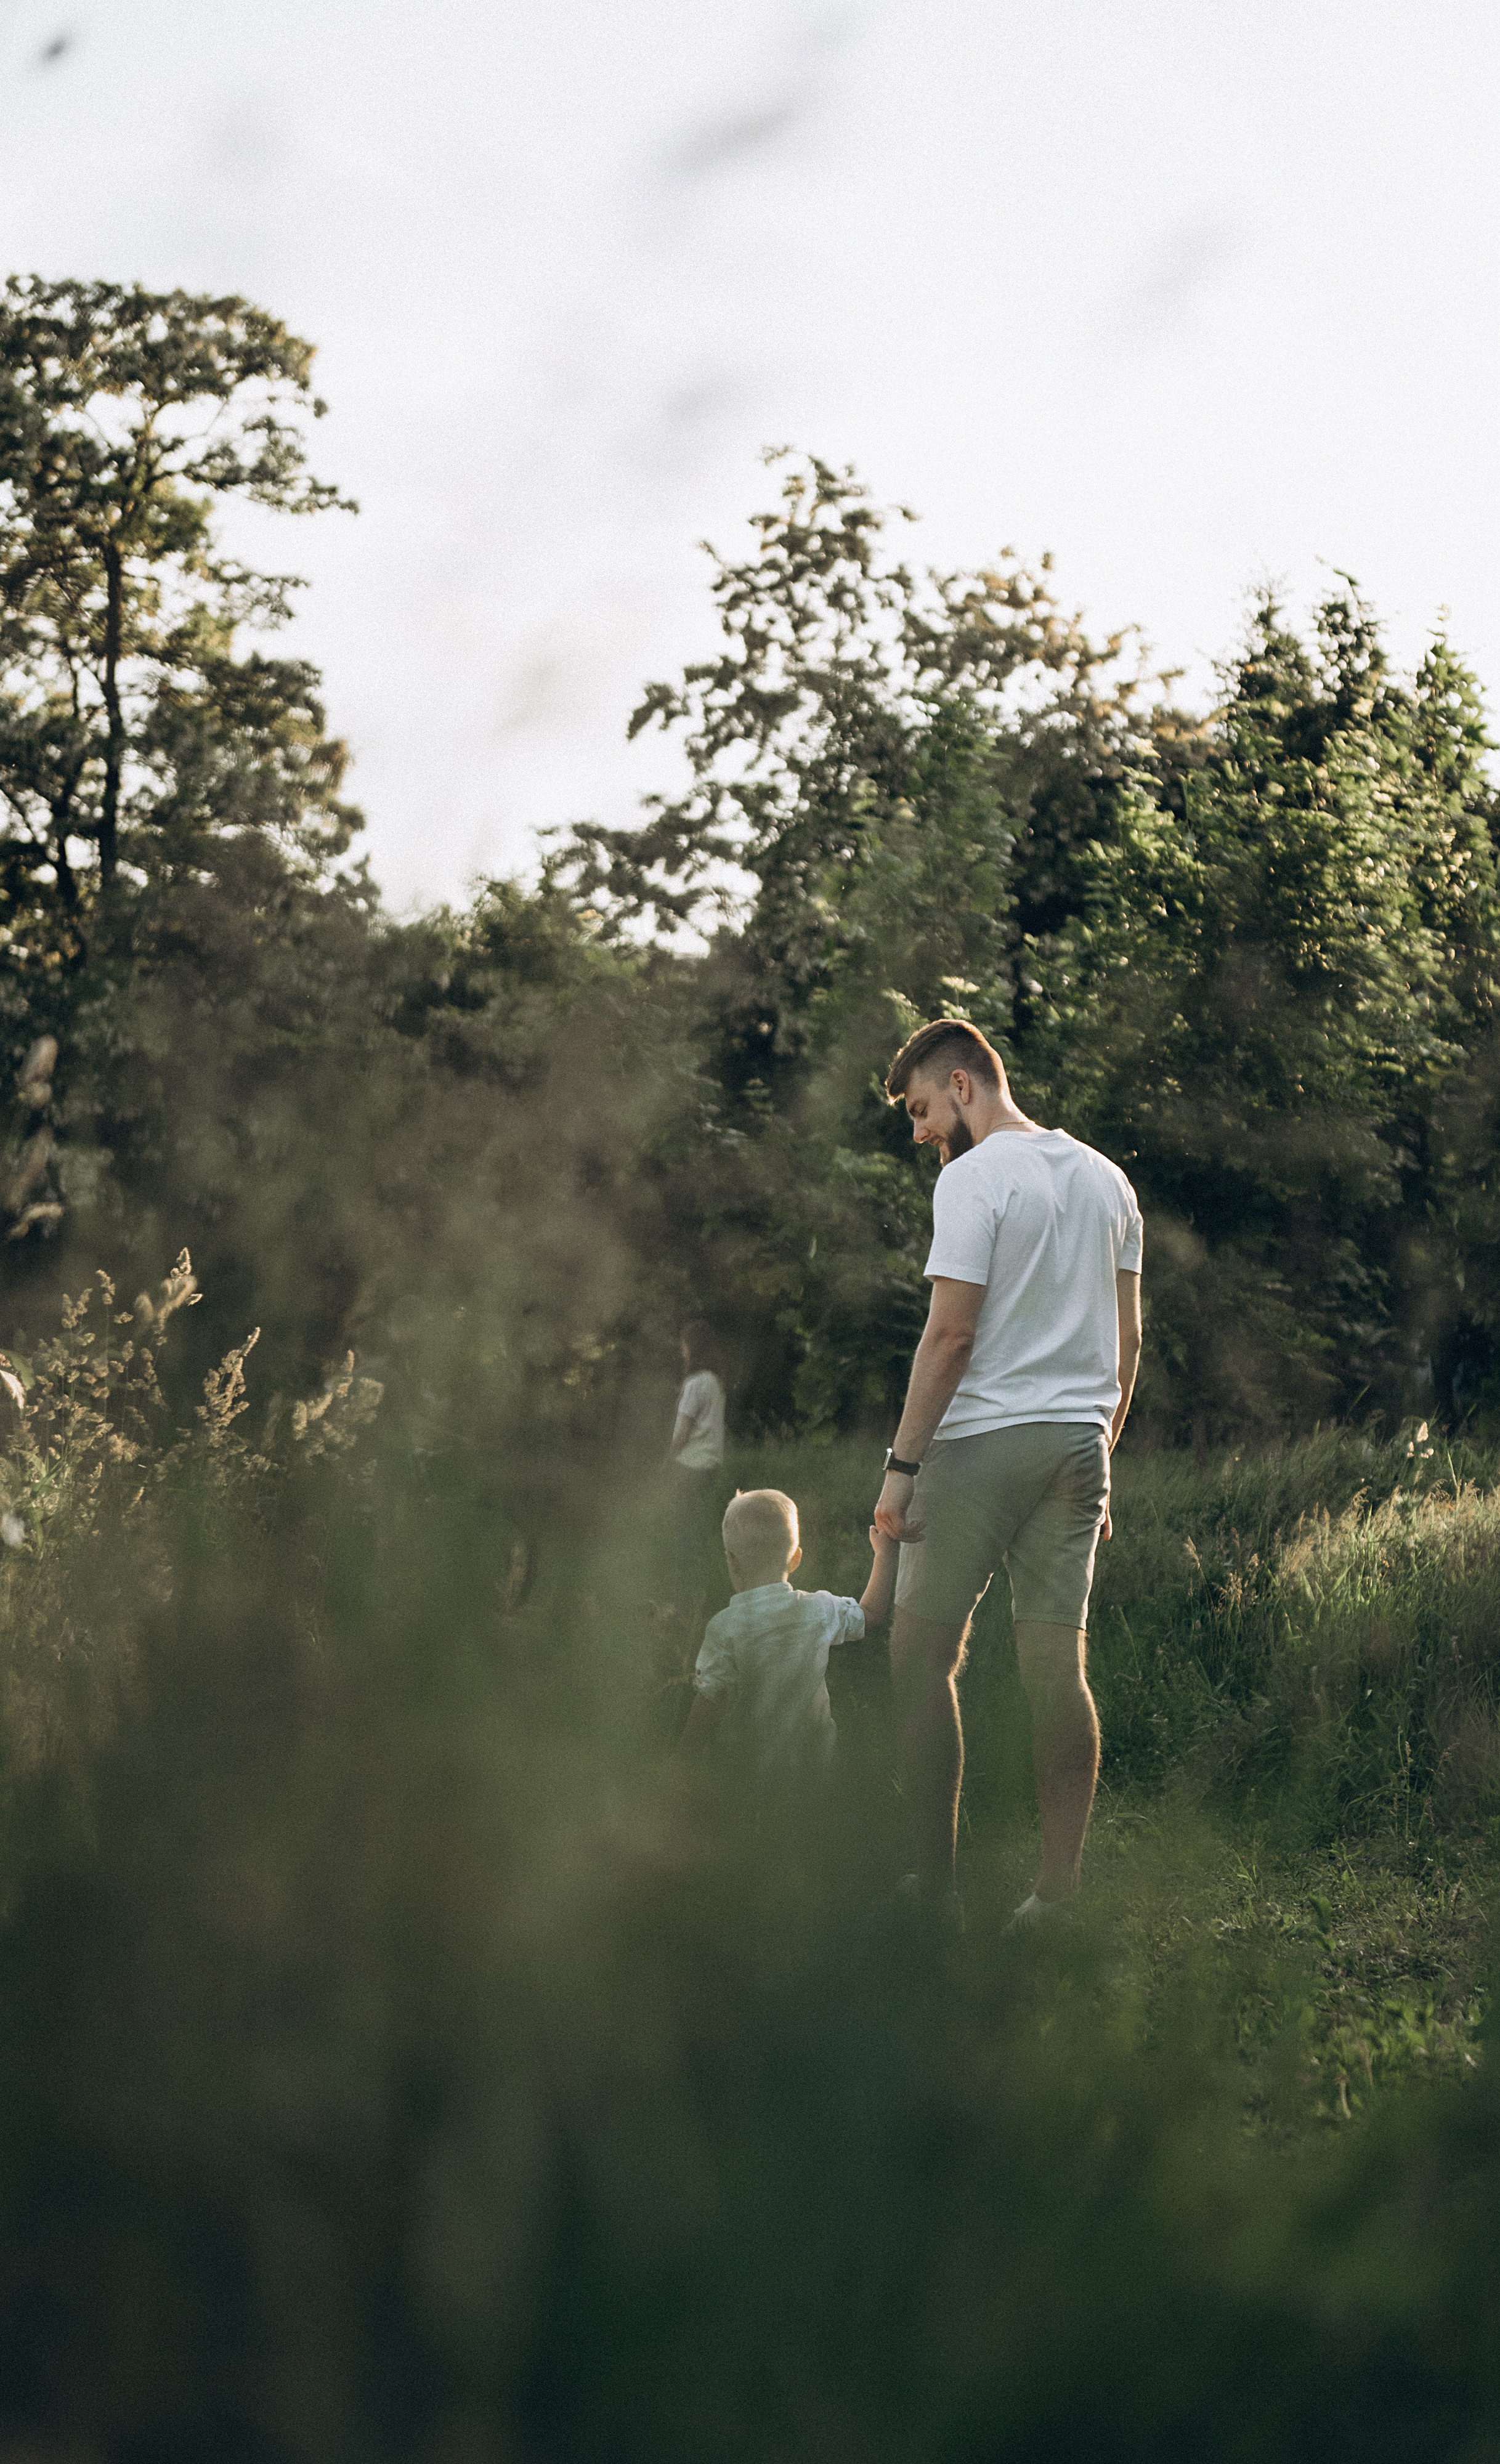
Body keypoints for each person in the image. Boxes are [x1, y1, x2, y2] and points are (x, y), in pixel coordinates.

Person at [872, 1018, 1143, 1926]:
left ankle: (934, 1890)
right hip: (1075, 1445)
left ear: (959, 1086)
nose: (915, 1132)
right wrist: (1099, 1451)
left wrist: (900, 1468)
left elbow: (949, 1338)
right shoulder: (1109, 1179)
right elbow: (1127, 1341)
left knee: (918, 1658)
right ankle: (1056, 1898)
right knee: (1053, 1670)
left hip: (981, 1444)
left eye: (916, 1109)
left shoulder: (971, 1179)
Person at [681, 1488, 898, 1786]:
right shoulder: (820, 1610)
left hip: (747, 1774)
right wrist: (885, 1555)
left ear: (731, 1561)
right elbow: (871, 1614)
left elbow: (708, 1703)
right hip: (815, 1766)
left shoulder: (724, 1629)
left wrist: (681, 1764)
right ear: (795, 1558)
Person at [665, 1320, 726, 1621]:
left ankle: (680, 1607)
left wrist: (666, 1463)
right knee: (696, 1532)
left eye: (684, 1345)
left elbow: (683, 1432)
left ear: (692, 1348)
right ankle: (697, 1601)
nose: (682, 1350)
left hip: (690, 1466)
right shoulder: (714, 1382)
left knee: (682, 1535)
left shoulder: (694, 1384)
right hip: (710, 1466)